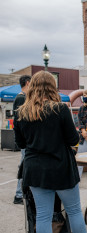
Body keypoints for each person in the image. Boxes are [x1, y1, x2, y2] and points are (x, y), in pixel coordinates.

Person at [13, 71, 87, 233]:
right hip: (61, 168)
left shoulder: (21, 112)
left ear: (32, 87)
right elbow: (73, 139)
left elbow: (20, 143)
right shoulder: (60, 109)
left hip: (35, 170)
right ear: (52, 87)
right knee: (74, 211)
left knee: (43, 216)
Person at [13, 75, 31, 205]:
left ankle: (21, 193)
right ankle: (19, 194)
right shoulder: (21, 98)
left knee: (24, 166)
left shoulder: (22, 97)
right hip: (25, 141)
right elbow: (19, 122)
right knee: (25, 167)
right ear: (28, 83)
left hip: (25, 140)